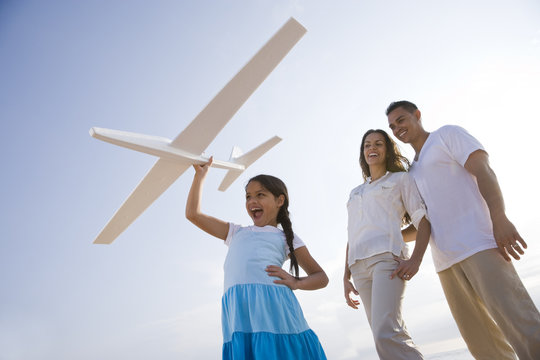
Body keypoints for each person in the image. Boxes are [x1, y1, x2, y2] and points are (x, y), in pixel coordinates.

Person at [386, 100, 540, 360]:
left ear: (417, 115)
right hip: (446, 264)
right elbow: (424, 223)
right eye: (392, 126)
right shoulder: (411, 172)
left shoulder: (447, 135)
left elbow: (483, 170)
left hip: (480, 244)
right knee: (482, 345)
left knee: (522, 325)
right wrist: (387, 235)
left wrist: (499, 217)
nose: (397, 128)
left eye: (401, 120)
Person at [185, 157, 328, 360]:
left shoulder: (287, 238)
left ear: (280, 200)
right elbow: (193, 214)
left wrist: (296, 282)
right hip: (239, 312)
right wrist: (200, 176)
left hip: (273, 311)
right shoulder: (235, 232)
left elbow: (321, 277)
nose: (252, 201)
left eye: (260, 195)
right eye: (248, 197)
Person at [343, 129, 431, 360]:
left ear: (387, 149)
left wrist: (416, 260)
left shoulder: (400, 179)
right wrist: (345, 277)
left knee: (386, 333)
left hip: (387, 260)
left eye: (378, 144)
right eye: (367, 145)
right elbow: (352, 236)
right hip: (358, 268)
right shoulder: (355, 192)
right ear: (363, 153)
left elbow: (423, 221)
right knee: (384, 334)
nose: (372, 148)